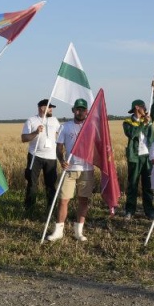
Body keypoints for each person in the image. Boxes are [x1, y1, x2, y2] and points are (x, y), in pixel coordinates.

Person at [47, 99, 94, 242]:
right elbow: (59, 147)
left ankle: (78, 231)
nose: (80, 112)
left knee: (83, 200)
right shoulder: (65, 127)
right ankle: (58, 231)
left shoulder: (91, 127)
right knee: (63, 200)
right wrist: (61, 161)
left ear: (87, 111)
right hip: (70, 169)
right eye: (77, 109)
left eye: (83, 110)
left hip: (87, 169)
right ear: (73, 110)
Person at [122, 80, 154, 219]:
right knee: (132, 184)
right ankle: (130, 210)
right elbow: (132, 134)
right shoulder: (127, 122)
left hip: (148, 157)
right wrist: (142, 124)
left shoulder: (148, 118)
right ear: (137, 108)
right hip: (134, 157)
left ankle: (149, 210)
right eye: (143, 107)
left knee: (148, 185)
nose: (146, 109)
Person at [21, 99, 60, 215]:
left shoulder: (54, 120)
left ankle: (51, 209)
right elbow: (24, 138)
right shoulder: (31, 121)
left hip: (51, 157)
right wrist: (36, 133)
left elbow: (60, 134)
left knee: (51, 184)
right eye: (49, 107)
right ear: (42, 108)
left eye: (51, 107)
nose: (51, 109)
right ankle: (29, 209)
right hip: (35, 156)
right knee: (32, 184)